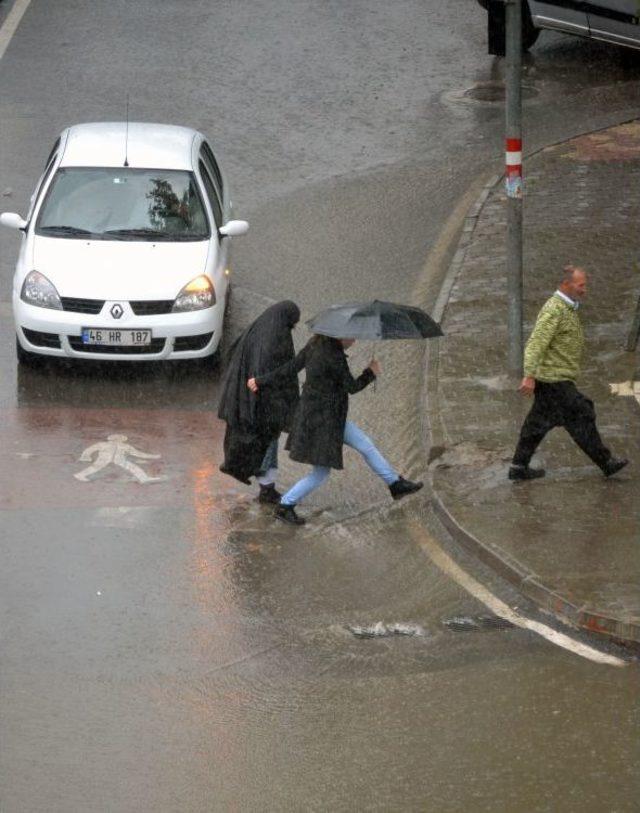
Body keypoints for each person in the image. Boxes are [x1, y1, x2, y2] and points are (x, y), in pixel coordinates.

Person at [249, 334, 423, 525]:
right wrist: (370, 372)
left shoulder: (315, 344)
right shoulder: (334, 356)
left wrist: (260, 381)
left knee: (365, 445)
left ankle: (395, 484)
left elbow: (290, 368)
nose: (354, 341)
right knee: (320, 473)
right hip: (322, 425)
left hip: (325, 418)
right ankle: (285, 505)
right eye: (352, 338)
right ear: (340, 336)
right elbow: (352, 386)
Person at [509, 265, 629, 481]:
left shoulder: (568, 307)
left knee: (536, 423)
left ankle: (518, 467)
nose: (585, 289)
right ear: (566, 284)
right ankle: (606, 462)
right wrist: (528, 375)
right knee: (582, 413)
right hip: (556, 380)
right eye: (581, 285)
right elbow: (536, 343)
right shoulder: (554, 309)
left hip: (552, 381)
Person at [218, 300, 300, 502]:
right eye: (292, 323)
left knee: (261, 445)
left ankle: (266, 487)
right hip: (263, 405)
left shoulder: (260, 329)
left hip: (248, 400)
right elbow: (278, 372)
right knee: (267, 445)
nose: (293, 328)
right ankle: (267, 490)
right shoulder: (276, 339)